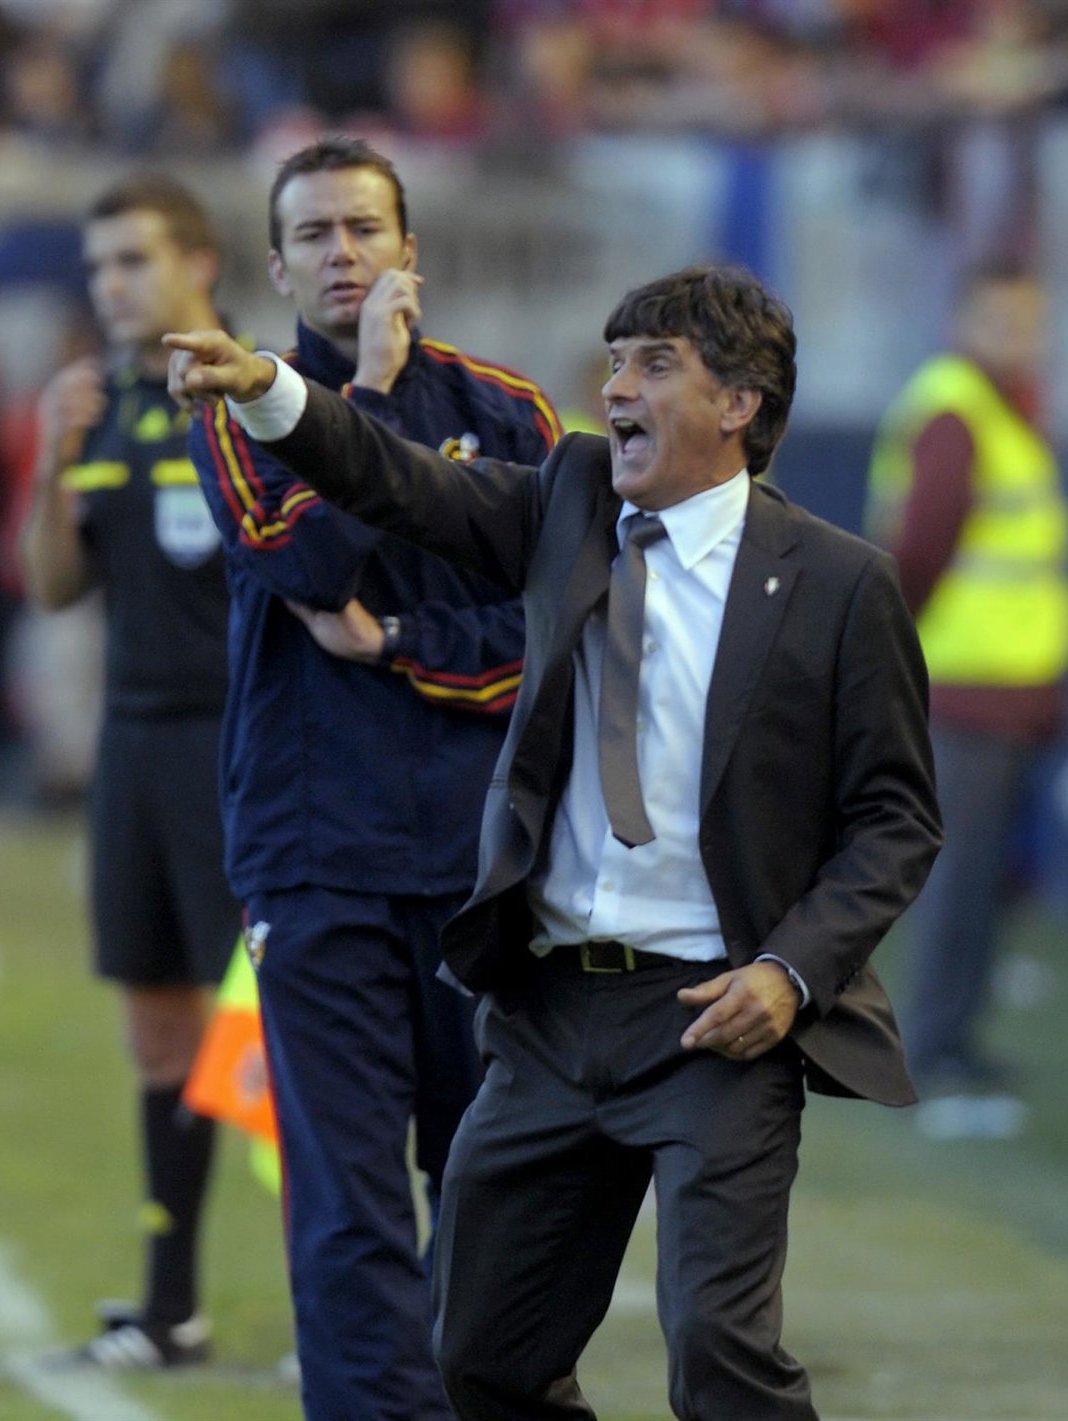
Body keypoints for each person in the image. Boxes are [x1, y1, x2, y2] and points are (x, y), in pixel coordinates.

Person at [166, 262, 942, 1420]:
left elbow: (895, 816)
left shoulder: (839, 581)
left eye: (653, 365)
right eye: (615, 361)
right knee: (481, 1356)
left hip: (715, 1017)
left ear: (739, 402)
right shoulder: (569, 500)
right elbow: (395, 479)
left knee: (720, 1352)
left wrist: (789, 971)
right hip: (548, 1014)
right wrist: (270, 387)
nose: (615, 387)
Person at [182, 137, 560, 1420]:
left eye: (364, 229)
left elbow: (555, 633)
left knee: (490, 1188)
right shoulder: (239, 410)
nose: (342, 254)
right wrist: (378, 392)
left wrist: (401, 640)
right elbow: (307, 566)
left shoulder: (511, 414)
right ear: (277, 266)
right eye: (315, 235)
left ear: (410, 252)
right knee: (346, 1204)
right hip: (315, 859)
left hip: (480, 867)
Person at [19, 175, 237, 1368]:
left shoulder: (255, 395)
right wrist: (51, 463)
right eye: (99, 265)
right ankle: (170, 1307)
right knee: (157, 1028)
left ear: (198, 264)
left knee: (281, 1039)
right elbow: (56, 586)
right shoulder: (99, 406)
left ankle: (350, 1307)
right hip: (134, 747)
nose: (111, 284)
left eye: (133, 260)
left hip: (240, 748)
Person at [865, 257, 1068, 1120]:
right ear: (961, 321)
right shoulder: (956, 413)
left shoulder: (1007, 410)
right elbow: (916, 552)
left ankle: (957, 1039)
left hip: (1012, 691)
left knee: (988, 880)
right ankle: (932, 1047)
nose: (1018, 336)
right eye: (1001, 318)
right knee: (959, 882)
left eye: (1029, 319)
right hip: (964, 689)